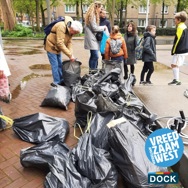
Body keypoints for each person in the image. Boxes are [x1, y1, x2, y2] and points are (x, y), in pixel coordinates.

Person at [44, 16, 83, 86]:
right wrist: (69, 55)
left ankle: (61, 79)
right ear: (72, 28)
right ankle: (56, 82)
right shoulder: (61, 27)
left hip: (58, 48)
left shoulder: (71, 30)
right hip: (51, 46)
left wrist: (71, 54)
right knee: (55, 65)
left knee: (60, 64)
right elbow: (60, 43)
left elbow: (69, 42)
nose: (74, 34)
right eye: (75, 32)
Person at [84, 1, 107, 73]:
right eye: (100, 8)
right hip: (91, 38)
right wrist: (103, 28)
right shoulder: (92, 15)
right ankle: (92, 72)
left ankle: (91, 71)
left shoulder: (92, 14)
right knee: (95, 56)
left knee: (93, 56)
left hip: (91, 37)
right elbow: (94, 28)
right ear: (97, 7)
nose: (101, 10)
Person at [168, 11, 188, 85]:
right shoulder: (184, 26)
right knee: (174, 64)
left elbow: (178, 40)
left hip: (180, 50)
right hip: (183, 49)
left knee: (174, 65)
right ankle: (176, 79)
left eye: (175, 19)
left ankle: (177, 80)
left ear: (179, 20)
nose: (174, 20)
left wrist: (173, 50)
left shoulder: (180, 27)